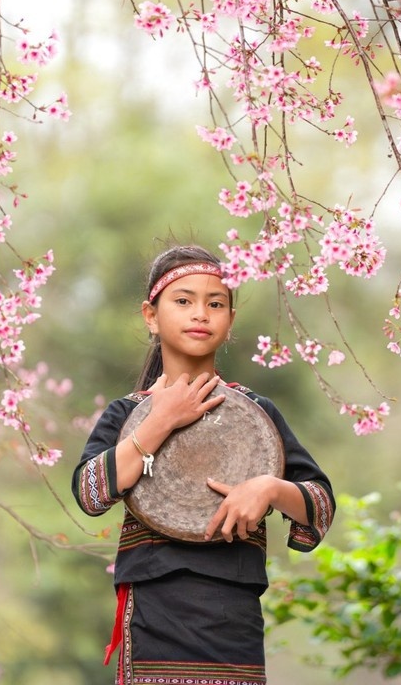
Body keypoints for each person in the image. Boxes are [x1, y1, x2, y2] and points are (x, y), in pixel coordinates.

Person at [72, 244, 335, 685]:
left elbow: (320, 508)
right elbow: (90, 493)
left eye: (216, 304)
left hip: (233, 622)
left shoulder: (257, 414)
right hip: (154, 614)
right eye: (183, 301)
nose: (201, 314)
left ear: (230, 320)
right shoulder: (127, 413)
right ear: (151, 316)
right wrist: (160, 423)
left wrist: (268, 488)